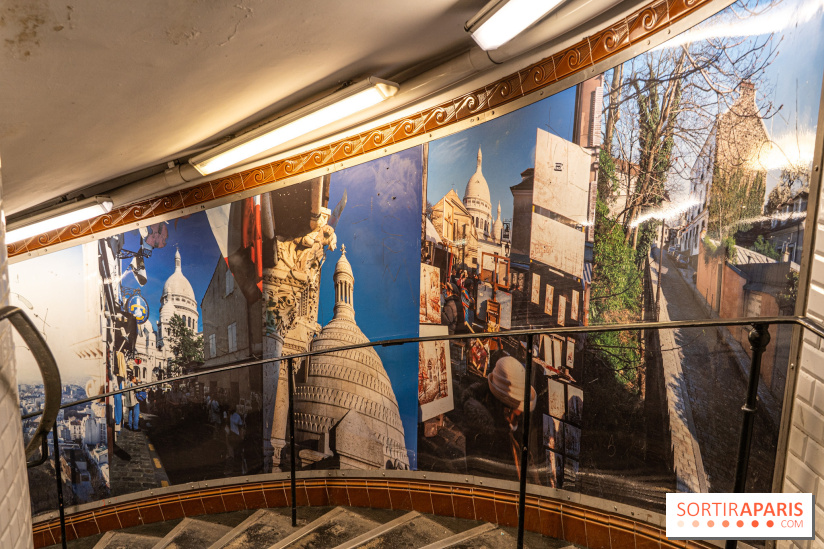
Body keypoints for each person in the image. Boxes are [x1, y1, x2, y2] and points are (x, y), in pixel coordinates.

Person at [461, 356, 538, 482]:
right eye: (517, 408)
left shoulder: (514, 424)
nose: (520, 412)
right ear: (505, 408)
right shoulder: (483, 437)